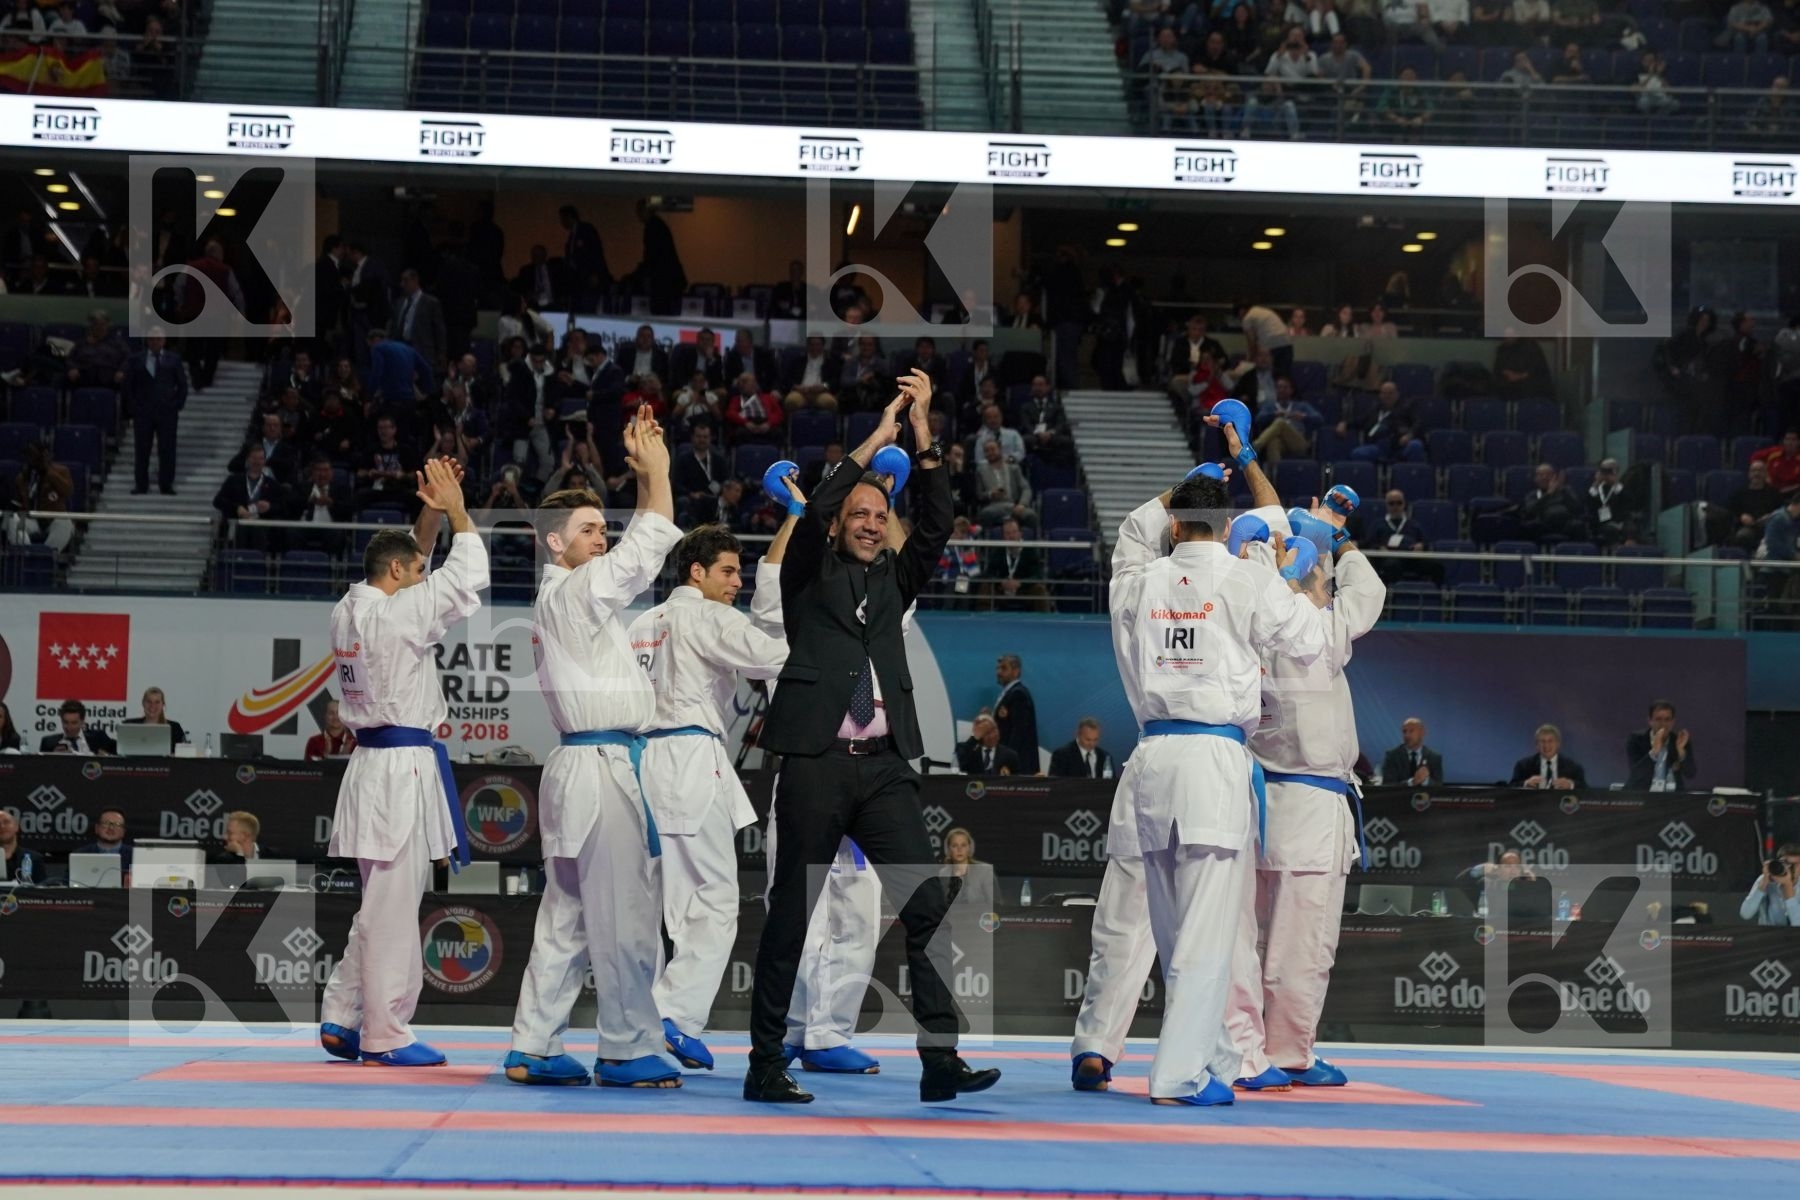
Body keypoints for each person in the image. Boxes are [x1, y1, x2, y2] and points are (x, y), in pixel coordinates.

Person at [744, 371, 1000, 1105]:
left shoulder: (896, 581)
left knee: (924, 906)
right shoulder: (806, 575)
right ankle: (766, 1064)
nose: (865, 521)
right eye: (856, 512)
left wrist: (922, 440)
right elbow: (824, 498)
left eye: (876, 514)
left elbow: (940, 521)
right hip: (817, 762)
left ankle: (939, 1061)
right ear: (834, 523)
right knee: (791, 916)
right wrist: (875, 439)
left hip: (885, 765)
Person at [1070, 444, 1328, 1106]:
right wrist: (1300, 569)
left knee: (1170, 928)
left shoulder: (1137, 581)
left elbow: (1132, 531)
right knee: (1207, 934)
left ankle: (1209, 1056)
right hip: (1212, 762)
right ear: (1224, 522)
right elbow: (1309, 641)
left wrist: (1186, 486)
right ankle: (1179, 1076)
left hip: (1151, 761)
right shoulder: (1247, 579)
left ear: (1176, 523)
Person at [503, 408, 684, 1089]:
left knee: (569, 915)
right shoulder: (575, 593)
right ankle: (627, 1044)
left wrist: (640, 480)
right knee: (623, 915)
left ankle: (535, 1043)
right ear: (556, 544)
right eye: (588, 531)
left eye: (603, 527)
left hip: (583, 765)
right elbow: (647, 551)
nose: (601, 538)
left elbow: (634, 542)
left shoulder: (567, 595)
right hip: (602, 767)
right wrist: (659, 474)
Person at [1224, 446, 1385, 1092]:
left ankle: (1244, 1052)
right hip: (1310, 806)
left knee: (1249, 938)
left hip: (1258, 799)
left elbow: (1260, 554)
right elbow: (1368, 592)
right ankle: (1288, 1051)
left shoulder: (1256, 624)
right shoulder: (1323, 630)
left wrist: (1308, 538)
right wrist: (1339, 542)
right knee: (1302, 941)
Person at [318, 458, 488, 1068]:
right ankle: (386, 1032)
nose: (425, 576)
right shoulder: (396, 616)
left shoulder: (350, 607)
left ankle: (343, 1015)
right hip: (399, 770)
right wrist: (461, 510)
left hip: (373, 765)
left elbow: (413, 556)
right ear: (397, 573)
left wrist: (431, 512)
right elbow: (466, 576)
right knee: (392, 908)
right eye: (418, 571)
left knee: (379, 902)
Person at [628, 522, 791, 1074]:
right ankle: (673, 1014)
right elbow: (776, 659)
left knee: (653, 906)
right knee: (717, 903)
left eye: (740, 572)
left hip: (641, 762)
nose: (737, 582)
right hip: (691, 760)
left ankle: (639, 1026)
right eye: (727, 570)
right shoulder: (709, 615)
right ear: (696, 572)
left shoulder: (642, 623)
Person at [126, 326, 186, 495]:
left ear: (164, 341)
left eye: (158, 339)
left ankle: (166, 485)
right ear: (147, 340)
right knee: (142, 450)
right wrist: (134, 407)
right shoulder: (136, 359)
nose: (155, 342)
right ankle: (141, 485)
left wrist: (176, 405)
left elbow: (182, 385)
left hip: (166, 413)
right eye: (151, 339)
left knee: (167, 449)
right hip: (143, 412)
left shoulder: (174, 359)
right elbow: (129, 385)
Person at [1625, 700, 1694, 791]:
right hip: (1641, 794)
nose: (1663, 724)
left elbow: (1691, 773)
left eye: (1667, 720)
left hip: (1672, 797)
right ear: (1650, 721)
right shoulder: (1637, 739)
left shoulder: (1679, 740)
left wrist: (1681, 752)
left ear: (1673, 722)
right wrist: (1654, 752)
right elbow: (1636, 773)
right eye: (1658, 719)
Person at [991, 653, 1039, 771]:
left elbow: (1018, 732)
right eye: (998, 668)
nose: (999, 672)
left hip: (1016, 765)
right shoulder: (1009, 693)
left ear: (1016, 671)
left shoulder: (1018, 694)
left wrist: (1007, 761)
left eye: (1004, 668)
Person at [1508, 723, 1586, 789]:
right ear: (1537, 745)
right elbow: (1511, 787)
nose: (1546, 745)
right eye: (1542, 741)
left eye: (1550, 741)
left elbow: (1585, 788)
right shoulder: (1523, 766)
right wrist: (1526, 783)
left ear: (1558, 744)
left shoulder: (1573, 767)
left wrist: (1570, 784)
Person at [1739, 843, 1800, 926]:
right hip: (1768, 935)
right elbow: (1745, 914)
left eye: (1794, 865)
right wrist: (1763, 884)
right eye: (1786, 863)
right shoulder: (1766, 879)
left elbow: (1797, 925)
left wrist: (1788, 887)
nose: (1789, 868)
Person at [1379, 716, 1441, 785]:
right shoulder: (1392, 756)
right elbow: (1387, 785)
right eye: (1404, 731)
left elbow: (1438, 786)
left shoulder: (1434, 758)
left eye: (1411, 731)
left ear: (1422, 733)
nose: (1407, 735)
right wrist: (1412, 782)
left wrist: (1424, 781)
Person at [40, 698, 116, 754]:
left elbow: (121, 755)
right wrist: (52, 757)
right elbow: (41, 769)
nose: (69, 727)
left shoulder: (99, 738)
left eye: (74, 723)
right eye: (66, 722)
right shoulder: (48, 743)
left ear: (82, 721)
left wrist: (106, 757)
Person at [121, 686, 188, 747]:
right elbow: (119, 749)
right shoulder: (129, 726)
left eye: (157, 702)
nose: (152, 705)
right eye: (149, 701)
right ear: (143, 703)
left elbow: (182, 754)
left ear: (163, 705)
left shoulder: (175, 728)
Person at [70, 808, 132, 874]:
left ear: (124, 832)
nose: (111, 828)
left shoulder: (135, 856)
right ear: (97, 828)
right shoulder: (80, 855)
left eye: (117, 824)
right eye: (106, 823)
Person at [1049, 717, 1113, 779]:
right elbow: (1055, 784)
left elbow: (1113, 785)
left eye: (1095, 739)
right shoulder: (1062, 755)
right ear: (1078, 734)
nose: (1092, 744)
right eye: (1088, 739)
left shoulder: (1104, 756)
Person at [0, 809, 40, 883]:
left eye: (6, 822)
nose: (2, 826)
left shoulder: (34, 858)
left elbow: (43, 891)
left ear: (16, 827)